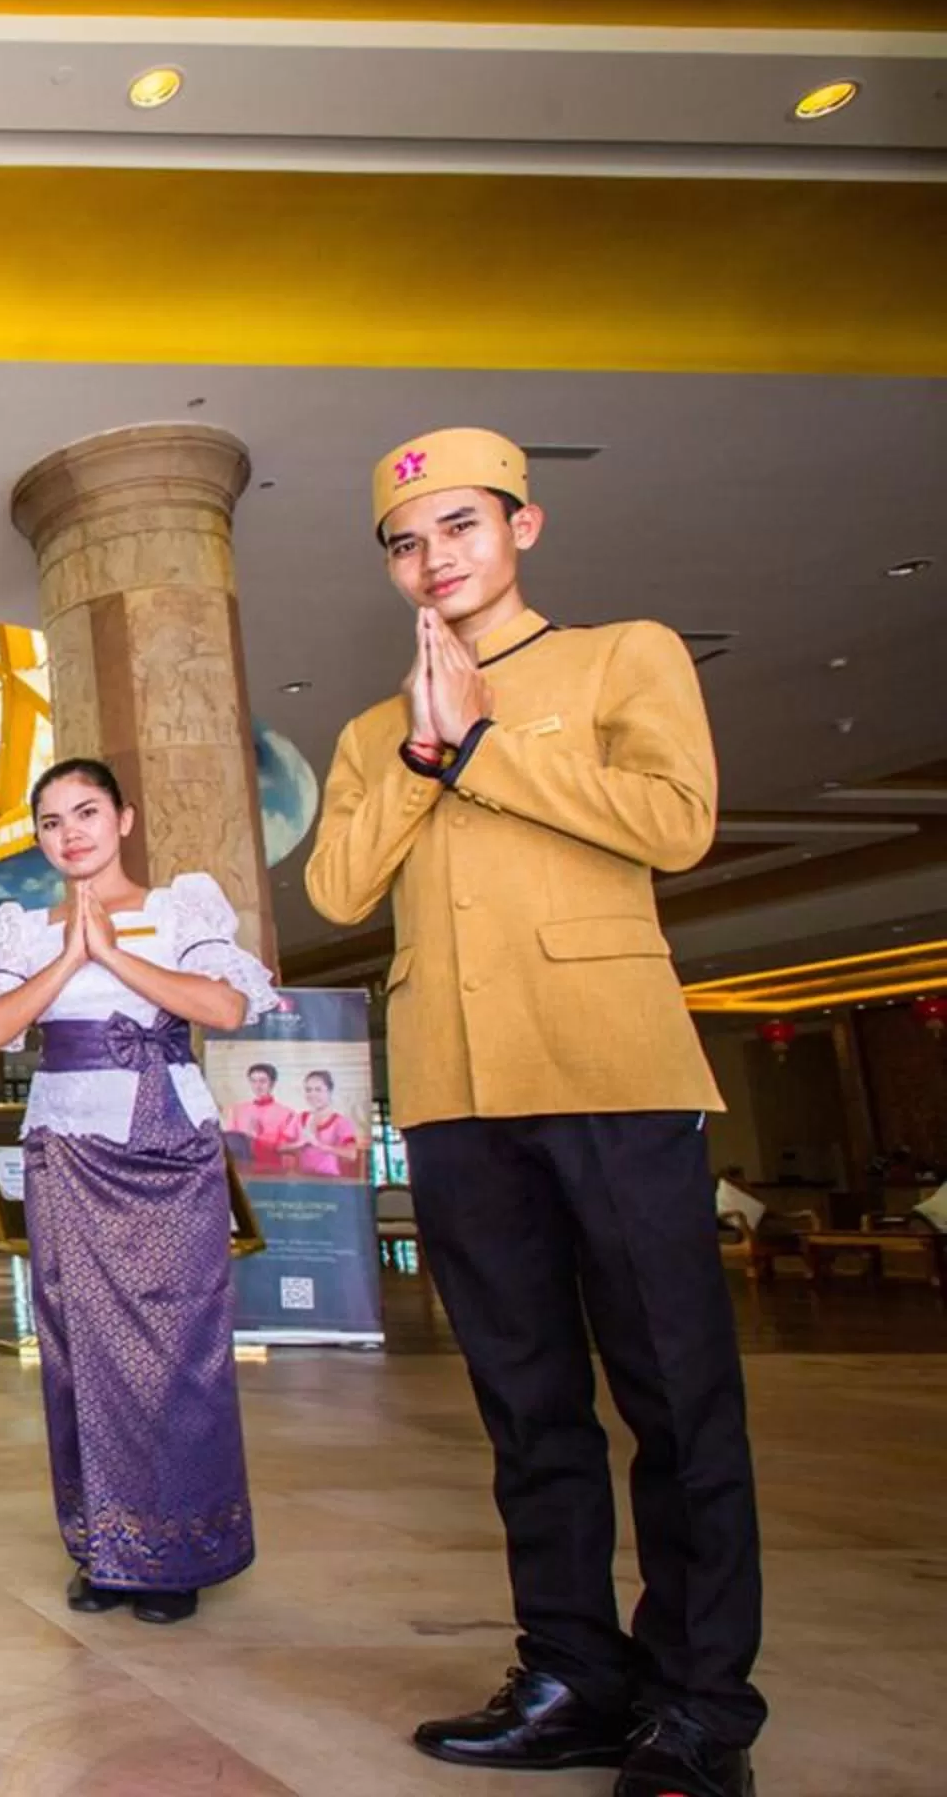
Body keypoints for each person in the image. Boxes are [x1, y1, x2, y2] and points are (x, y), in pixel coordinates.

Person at [306, 427, 759, 1797]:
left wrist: (480, 749)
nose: (433, 559)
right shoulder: (369, 730)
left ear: (524, 528)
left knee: (678, 1402)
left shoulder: (626, 655)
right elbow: (336, 892)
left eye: (459, 527)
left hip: (610, 1069)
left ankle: (698, 1707)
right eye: (406, 541)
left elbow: (674, 823)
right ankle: (570, 1671)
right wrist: (416, 747)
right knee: (527, 1406)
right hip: (453, 1091)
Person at [0, 757, 279, 1625]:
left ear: (123, 819)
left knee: (176, 1353)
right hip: (65, 1149)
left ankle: (176, 1555)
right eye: (52, 822)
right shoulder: (20, 931)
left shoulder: (180, 912)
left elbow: (224, 1008)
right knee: (77, 1351)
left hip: (167, 1145)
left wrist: (117, 958)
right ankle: (105, 1544)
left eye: (87, 812)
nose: (72, 834)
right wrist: (70, 958)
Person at [286, 1070, 364, 1178]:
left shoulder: (341, 1122)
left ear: (330, 1091)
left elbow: (352, 1154)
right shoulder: (299, 1118)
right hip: (303, 1179)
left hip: (329, 1180)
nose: (312, 1094)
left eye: (318, 1090)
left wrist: (319, 1145)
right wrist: (299, 1144)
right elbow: (280, 1147)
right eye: (308, 1090)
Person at [227, 1063, 298, 1171]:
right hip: (242, 1172)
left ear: (272, 1083)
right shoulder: (237, 1110)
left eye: (262, 1081)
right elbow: (230, 1144)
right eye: (253, 1081)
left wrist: (257, 1139)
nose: (257, 1086)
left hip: (271, 1172)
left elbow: (288, 1151)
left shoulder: (287, 1113)